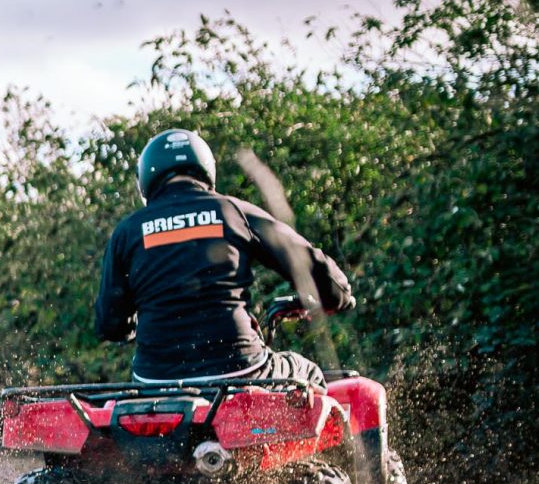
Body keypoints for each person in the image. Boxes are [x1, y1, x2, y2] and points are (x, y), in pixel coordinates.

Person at [94, 129, 353, 386]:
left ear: (146, 179)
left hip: (154, 379)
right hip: (240, 368)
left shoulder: (127, 232)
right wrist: (335, 296)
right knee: (308, 374)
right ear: (205, 168)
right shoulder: (232, 211)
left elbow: (110, 325)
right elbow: (310, 265)